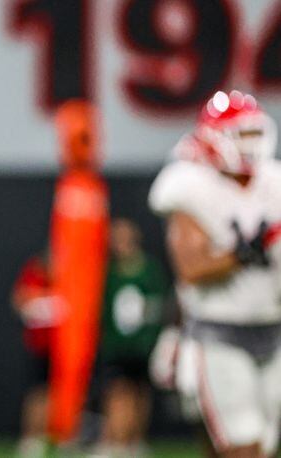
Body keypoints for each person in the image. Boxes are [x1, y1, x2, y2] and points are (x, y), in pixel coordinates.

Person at [149, 90, 281, 458]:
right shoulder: (188, 185)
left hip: (274, 329)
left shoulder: (274, 182)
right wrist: (243, 253)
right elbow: (191, 269)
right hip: (220, 333)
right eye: (242, 135)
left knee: (264, 447)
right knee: (242, 445)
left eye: (254, 134)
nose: (251, 145)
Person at [95, 218, 169, 456]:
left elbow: (160, 305)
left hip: (144, 344)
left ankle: (134, 441)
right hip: (117, 345)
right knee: (118, 392)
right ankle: (116, 441)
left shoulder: (149, 269)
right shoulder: (108, 271)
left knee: (140, 393)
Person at [11, 250, 61, 457]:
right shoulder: (35, 272)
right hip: (41, 344)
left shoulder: (73, 272)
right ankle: (32, 437)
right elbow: (19, 300)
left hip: (65, 347)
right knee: (38, 394)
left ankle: (60, 436)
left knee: (63, 394)